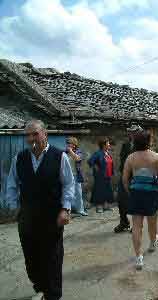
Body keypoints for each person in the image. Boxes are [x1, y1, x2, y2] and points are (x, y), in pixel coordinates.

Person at [6, 119, 74, 300]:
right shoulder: (19, 158)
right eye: (27, 135)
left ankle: (52, 295)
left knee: (53, 257)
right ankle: (41, 286)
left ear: (45, 134)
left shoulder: (60, 157)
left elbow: (68, 184)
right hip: (27, 217)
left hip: (53, 217)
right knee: (31, 259)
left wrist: (65, 209)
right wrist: (13, 206)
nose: (31, 138)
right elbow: (12, 183)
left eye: (35, 133)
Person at [122, 130, 158, 270]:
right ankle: (153, 243)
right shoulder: (156, 157)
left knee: (136, 226)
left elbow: (124, 179)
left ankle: (138, 257)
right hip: (152, 194)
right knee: (152, 222)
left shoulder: (130, 158)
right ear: (149, 141)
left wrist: (130, 191)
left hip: (136, 193)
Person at [114, 124, 143, 233]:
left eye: (134, 132)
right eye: (130, 132)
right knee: (121, 199)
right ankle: (124, 222)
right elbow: (122, 160)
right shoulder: (125, 145)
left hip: (137, 177)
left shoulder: (142, 146)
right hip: (125, 176)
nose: (131, 133)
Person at [88, 137, 114, 213]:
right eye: (108, 143)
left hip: (108, 175)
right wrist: (95, 167)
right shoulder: (98, 153)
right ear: (103, 145)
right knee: (100, 190)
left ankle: (106, 206)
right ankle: (99, 206)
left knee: (108, 190)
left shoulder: (108, 153)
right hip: (100, 176)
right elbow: (90, 161)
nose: (109, 144)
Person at [66, 137, 88, 216]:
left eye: (69, 143)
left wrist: (70, 151)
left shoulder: (78, 152)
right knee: (67, 193)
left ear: (74, 145)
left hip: (75, 175)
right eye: (67, 143)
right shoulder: (64, 152)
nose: (68, 145)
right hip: (67, 175)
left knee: (78, 192)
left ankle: (80, 210)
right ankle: (67, 210)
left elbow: (77, 159)